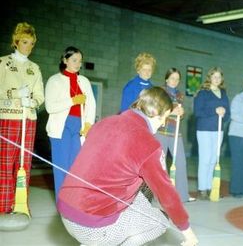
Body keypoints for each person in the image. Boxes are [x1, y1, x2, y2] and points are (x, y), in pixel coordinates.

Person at [57, 87, 199, 246]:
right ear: (158, 114)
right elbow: (166, 194)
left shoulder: (104, 122)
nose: (163, 123)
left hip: (65, 213)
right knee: (161, 221)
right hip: (93, 226)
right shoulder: (148, 143)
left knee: (142, 194)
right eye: (164, 118)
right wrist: (188, 233)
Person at [0, 22, 44, 214]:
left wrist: (32, 102)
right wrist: (17, 94)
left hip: (29, 119)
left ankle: (20, 205)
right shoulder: (3, 63)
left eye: (31, 43)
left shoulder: (34, 68)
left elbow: (40, 96)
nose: (28, 46)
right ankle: (3, 205)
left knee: (24, 164)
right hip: (9, 117)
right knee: (5, 163)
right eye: (25, 42)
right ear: (16, 42)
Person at [45, 46, 96, 200]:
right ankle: (62, 202)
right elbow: (50, 107)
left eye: (80, 61)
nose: (78, 64)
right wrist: (72, 100)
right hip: (61, 126)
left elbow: (91, 104)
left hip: (79, 126)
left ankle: (73, 201)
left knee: (76, 167)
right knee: (61, 166)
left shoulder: (85, 81)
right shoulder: (54, 80)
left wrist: (88, 124)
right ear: (65, 60)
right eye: (74, 60)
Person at [156, 68, 195, 202]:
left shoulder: (180, 95)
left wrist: (181, 113)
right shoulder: (160, 91)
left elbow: (180, 116)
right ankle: (160, 195)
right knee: (160, 164)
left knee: (181, 162)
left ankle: (182, 195)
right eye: (172, 78)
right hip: (161, 131)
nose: (175, 81)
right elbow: (157, 111)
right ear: (167, 79)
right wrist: (173, 112)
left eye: (177, 79)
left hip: (175, 132)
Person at [193, 67, 230, 200]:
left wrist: (224, 114)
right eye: (214, 76)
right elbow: (198, 112)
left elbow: (228, 114)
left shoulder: (223, 93)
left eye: (219, 77)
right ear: (209, 78)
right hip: (204, 130)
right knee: (205, 159)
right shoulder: (203, 93)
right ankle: (202, 189)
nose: (217, 79)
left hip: (218, 130)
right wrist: (215, 110)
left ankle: (210, 188)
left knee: (214, 160)